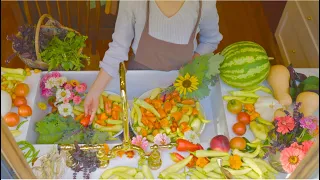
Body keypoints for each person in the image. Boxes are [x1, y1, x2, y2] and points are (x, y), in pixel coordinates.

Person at [84, 0, 222, 121]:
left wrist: (193, 65)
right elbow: (118, 48)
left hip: (181, 86)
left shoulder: (204, 3)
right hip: (138, 78)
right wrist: (95, 92)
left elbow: (211, 40)